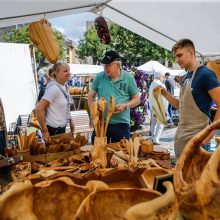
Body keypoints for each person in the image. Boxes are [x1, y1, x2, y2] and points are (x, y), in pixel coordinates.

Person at [160, 39, 220, 157]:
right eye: (175, 57)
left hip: (198, 140)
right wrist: (165, 94)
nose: (177, 60)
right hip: (181, 139)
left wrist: (208, 136)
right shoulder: (184, 77)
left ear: (191, 52)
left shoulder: (205, 74)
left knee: (197, 175)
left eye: (179, 55)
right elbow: (180, 105)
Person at [87, 50, 140, 143]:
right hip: (101, 123)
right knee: (97, 151)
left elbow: (137, 99)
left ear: (118, 65)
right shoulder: (100, 77)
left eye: (108, 65)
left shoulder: (128, 78)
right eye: (104, 65)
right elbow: (90, 96)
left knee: (121, 153)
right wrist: (94, 113)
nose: (105, 68)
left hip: (121, 124)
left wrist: (126, 106)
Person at [36, 62, 75, 141]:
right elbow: (39, 109)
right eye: (65, 71)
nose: (68, 73)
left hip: (60, 129)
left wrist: (71, 120)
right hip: (53, 131)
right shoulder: (54, 89)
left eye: (69, 71)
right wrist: (44, 131)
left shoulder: (64, 87)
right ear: (56, 73)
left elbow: (65, 107)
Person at [149, 71, 168, 144]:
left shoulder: (151, 84)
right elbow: (164, 99)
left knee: (153, 122)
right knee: (161, 123)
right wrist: (165, 109)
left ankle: (152, 137)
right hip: (159, 106)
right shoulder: (161, 85)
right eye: (163, 77)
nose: (163, 78)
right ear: (160, 77)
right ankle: (156, 138)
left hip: (152, 106)